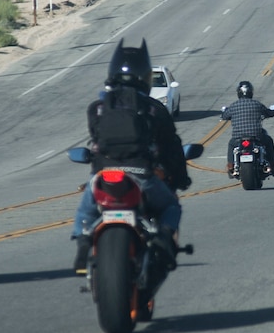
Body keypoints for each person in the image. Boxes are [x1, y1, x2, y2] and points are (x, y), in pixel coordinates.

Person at [72, 39, 190, 275]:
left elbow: (95, 142)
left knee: (85, 211)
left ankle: (83, 242)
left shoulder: (97, 108)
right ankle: (164, 236)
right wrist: (180, 177)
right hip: (141, 176)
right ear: (144, 76)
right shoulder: (155, 109)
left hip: (103, 176)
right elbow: (171, 147)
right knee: (171, 206)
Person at [220, 80, 274, 176]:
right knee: (268, 141)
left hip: (238, 137)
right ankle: (273, 166)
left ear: (239, 93)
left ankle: (230, 166)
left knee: (231, 144)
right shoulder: (256, 104)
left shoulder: (233, 106)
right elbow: (268, 113)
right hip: (256, 136)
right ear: (251, 93)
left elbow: (224, 116)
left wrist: (224, 114)